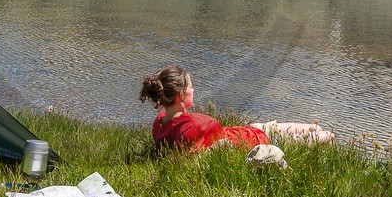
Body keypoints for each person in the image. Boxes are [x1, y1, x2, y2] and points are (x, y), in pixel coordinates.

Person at [141, 65, 334, 151]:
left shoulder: (159, 123)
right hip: (258, 142)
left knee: (315, 129)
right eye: (191, 87)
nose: (194, 89)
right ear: (181, 95)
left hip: (247, 131)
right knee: (325, 135)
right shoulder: (188, 128)